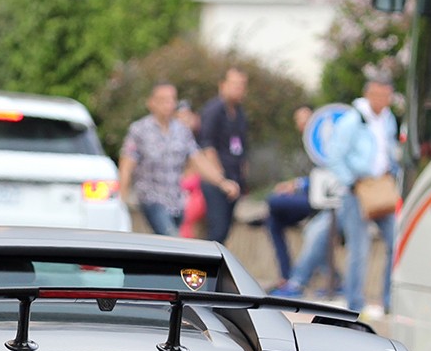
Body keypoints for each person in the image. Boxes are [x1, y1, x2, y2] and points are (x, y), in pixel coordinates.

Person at [118, 82, 239, 236]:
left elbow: (198, 160)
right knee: (171, 239)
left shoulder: (182, 130)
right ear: (151, 103)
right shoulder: (139, 130)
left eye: (171, 99)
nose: (168, 105)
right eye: (163, 100)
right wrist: (121, 198)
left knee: (166, 249)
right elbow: (127, 165)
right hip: (152, 198)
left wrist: (222, 182)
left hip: (176, 201)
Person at [327, 75, 401, 318]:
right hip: (358, 190)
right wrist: (351, 181)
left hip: (381, 188)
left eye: (386, 95)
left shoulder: (388, 119)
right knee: (359, 249)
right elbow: (334, 155)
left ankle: (389, 301)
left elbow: (388, 149)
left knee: (396, 242)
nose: (382, 100)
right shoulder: (353, 120)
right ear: (369, 94)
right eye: (378, 95)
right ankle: (355, 305)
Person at [264, 105, 317, 284]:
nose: (302, 124)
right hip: (306, 196)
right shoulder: (304, 144)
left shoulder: (321, 141)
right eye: (299, 121)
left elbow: (323, 175)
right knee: (273, 221)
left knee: (273, 202)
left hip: (317, 198)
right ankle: (285, 275)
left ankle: (288, 277)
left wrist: (296, 184)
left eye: (305, 119)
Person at [197, 67, 249, 243]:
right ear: (223, 85)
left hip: (235, 180)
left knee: (225, 230)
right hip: (218, 181)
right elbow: (207, 146)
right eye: (235, 85)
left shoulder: (239, 113)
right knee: (217, 231)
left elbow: (241, 146)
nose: (238, 89)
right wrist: (221, 179)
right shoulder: (214, 110)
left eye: (242, 85)